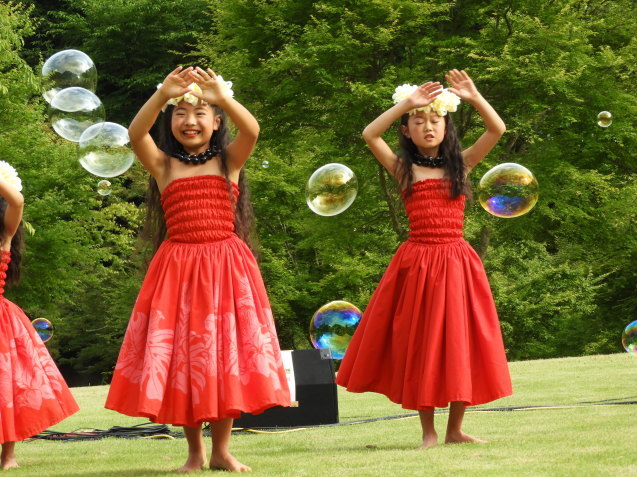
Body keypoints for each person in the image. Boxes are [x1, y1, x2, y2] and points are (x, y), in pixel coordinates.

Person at [105, 66, 290, 472]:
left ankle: (222, 451)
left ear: (217, 121)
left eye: (201, 112)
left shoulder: (229, 162)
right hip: (178, 269)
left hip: (225, 267)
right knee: (187, 358)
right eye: (180, 113)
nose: (190, 121)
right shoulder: (164, 166)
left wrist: (221, 95)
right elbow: (136, 135)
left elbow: (253, 130)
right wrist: (160, 96)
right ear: (170, 121)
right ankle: (195, 453)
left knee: (224, 358)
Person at [336, 69, 512, 449]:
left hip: (457, 262)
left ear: (446, 127)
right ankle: (429, 432)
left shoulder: (460, 165)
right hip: (418, 264)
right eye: (418, 121)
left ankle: (455, 430)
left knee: (459, 342)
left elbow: (496, 130)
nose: (428, 126)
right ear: (406, 130)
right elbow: (370, 134)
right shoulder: (404, 169)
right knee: (423, 344)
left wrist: (475, 96)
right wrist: (406, 103)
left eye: (435, 119)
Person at [0, 163, 79, 470]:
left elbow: (17, 201)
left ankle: (9, 455)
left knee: (8, 387)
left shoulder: (4, 233)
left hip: (3, 323)